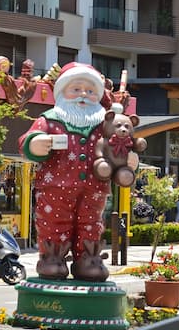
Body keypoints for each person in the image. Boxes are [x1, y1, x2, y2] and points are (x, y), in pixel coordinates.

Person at [19, 62, 112, 282]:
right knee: (54, 222)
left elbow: (120, 145)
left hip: (95, 187)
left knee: (91, 222)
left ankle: (88, 259)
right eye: (76, 89)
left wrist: (128, 156)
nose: (83, 95)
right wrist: (35, 143)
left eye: (90, 91)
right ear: (62, 92)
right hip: (55, 186)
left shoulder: (104, 123)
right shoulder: (49, 119)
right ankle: (53, 257)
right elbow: (25, 141)